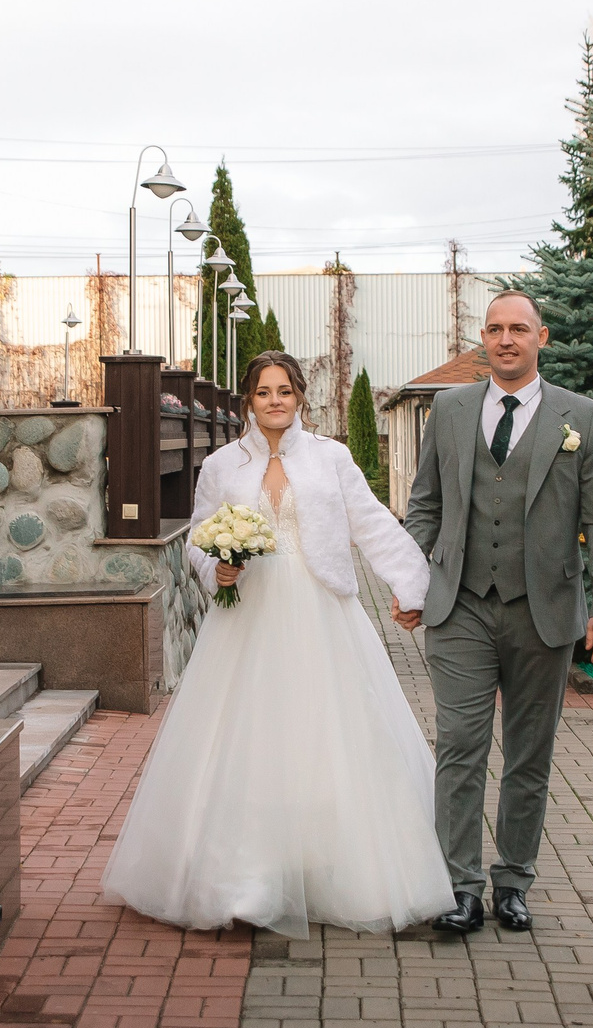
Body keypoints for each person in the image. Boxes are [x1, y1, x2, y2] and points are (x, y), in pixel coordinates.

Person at [101, 351, 454, 937]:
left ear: (300, 399)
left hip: (322, 611)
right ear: (248, 401)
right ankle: (247, 877)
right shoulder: (220, 465)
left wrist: (411, 585)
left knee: (325, 735)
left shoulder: (331, 458)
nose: (274, 401)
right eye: (263, 392)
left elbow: (370, 523)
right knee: (251, 737)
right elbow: (196, 537)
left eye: (285, 391)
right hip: (249, 615)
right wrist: (216, 569)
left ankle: (327, 868)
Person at [398, 288, 593, 934]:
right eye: (495, 328)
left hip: (544, 610)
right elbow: (425, 505)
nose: (505, 339)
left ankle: (514, 880)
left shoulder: (582, 417)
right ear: (484, 339)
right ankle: (459, 885)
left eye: (518, 329)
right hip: (461, 604)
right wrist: (411, 580)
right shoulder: (448, 409)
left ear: (541, 337)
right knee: (461, 744)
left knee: (530, 753)